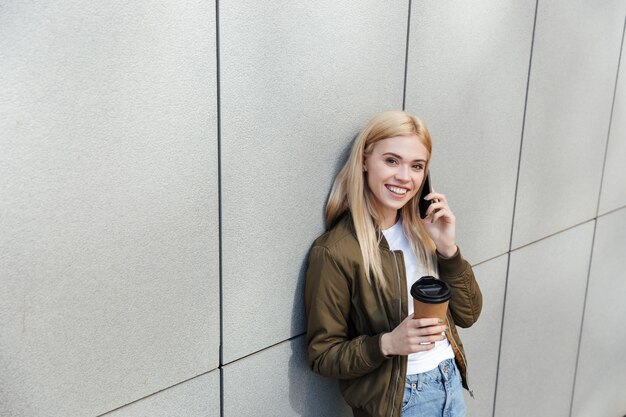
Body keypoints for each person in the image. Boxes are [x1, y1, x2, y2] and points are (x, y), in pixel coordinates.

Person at [305, 110, 482, 417]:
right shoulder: (336, 251)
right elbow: (323, 355)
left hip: (449, 381)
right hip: (400, 402)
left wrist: (448, 250)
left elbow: (468, 315)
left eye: (417, 166)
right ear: (364, 160)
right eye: (391, 160)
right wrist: (386, 343)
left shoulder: (425, 232)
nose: (405, 177)